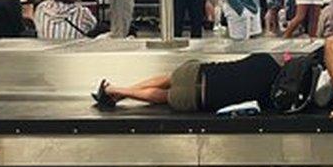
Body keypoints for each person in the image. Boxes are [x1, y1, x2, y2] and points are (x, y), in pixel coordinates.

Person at [94, 54, 281, 113]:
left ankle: (116, 90)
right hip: (198, 99)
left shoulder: (265, 59)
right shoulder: (270, 94)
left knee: (170, 79)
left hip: (199, 72)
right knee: (166, 97)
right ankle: (118, 91)